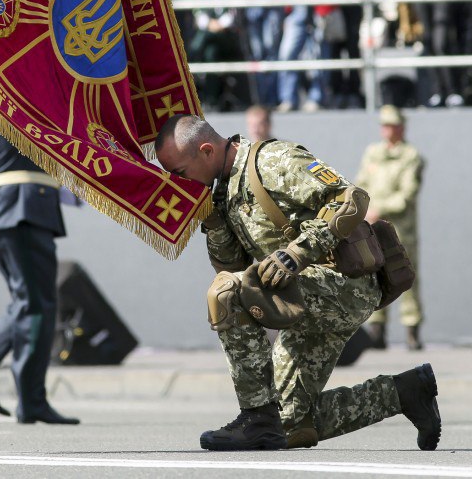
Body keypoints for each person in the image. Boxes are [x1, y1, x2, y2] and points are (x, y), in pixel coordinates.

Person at [154, 114, 440, 451]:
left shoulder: (273, 161)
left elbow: (351, 199)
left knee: (227, 293)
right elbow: (232, 264)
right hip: (302, 296)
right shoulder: (222, 192)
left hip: (344, 283)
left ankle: (255, 417)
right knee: (288, 424)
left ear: (205, 151)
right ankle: (406, 392)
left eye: (180, 174)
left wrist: (297, 253)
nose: (179, 183)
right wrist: (213, 220)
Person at [0, 107, 79, 425]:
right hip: (20, 205)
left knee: (28, 301)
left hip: (2, 207)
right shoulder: (5, 91)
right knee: (38, 305)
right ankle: (31, 399)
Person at [356, 105, 425, 350]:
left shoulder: (410, 155)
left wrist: (379, 207)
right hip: (373, 226)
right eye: (384, 125)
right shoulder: (373, 152)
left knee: (405, 275)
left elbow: (406, 195)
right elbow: (361, 185)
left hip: (400, 229)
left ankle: (412, 330)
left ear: (401, 127)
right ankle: (377, 330)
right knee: (374, 275)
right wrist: (365, 208)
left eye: (392, 125)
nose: (388, 130)